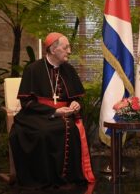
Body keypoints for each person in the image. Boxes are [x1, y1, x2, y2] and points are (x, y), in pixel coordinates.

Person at [9, 32, 95, 189]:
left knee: (70, 128)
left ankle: (67, 177)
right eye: (66, 47)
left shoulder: (68, 69)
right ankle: (44, 178)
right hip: (36, 114)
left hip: (65, 114)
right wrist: (54, 112)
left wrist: (75, 103)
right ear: (53, 49)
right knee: (44, 132)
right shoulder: (33, 69)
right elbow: (26, 102)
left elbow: (76, 97)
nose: (69, 51)